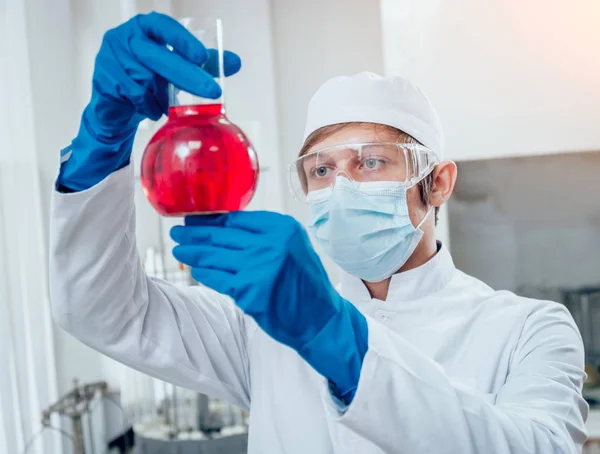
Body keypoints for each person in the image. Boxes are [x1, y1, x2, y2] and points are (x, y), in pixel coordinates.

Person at [49, 12, 588, 454]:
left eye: (372, 162)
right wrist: (101, 144)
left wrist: (340, 342)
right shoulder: (262, 326)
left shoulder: (527, 330)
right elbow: (102, 311)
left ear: (439, 182)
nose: (343, 187)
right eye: (322, 170)